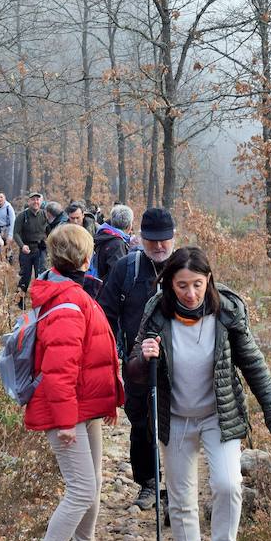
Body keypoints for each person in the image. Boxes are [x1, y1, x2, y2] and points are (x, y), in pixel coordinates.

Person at [128, 246, 271, 541]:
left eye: (197, 284)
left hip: (220, 414)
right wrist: (145, 358)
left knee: (228, 485)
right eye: (182, 285)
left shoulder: (227, 312)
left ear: (208, 280)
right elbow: (134, 370)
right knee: (182, 498)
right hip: (177, 417)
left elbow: (254, 364)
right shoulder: (157, 315)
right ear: (169, 284)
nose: (191, 293)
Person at [26, 224, 125, 541]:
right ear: (85, 257)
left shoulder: (73, 293)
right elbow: (58, 371)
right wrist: (66, 423)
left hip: (84, 407)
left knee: (93, 484)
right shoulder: (67, 303)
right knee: (81, 489)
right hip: (68, 411)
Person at [98, 206, 176, 510]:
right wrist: (114, 353)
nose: (159, 246)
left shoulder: (185, 268)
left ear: (173, 238)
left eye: (164, 240)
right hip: (136, 363)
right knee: (141, 422)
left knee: (175, 425)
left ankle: (176, 488)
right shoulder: (126, 268)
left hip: (178, 364)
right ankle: (148, 483)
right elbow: (105, 312)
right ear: (141, 237)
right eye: (152, 239)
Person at [14, 191, 48, 305]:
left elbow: (51, 229)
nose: (36, 202)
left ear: (41, 201)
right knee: (25, 277)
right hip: (26, 250)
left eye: (38, 199)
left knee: (41, 276)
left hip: (40, 249)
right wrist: (22, 245)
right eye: (33, 199)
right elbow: (16, 233)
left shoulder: (45, 215)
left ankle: (40, 301)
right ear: (29, 202)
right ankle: (19, 301)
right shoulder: (22, 216)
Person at [92, 203, 134, 282]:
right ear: (129, 226)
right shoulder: (117, 244)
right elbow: (118, 275)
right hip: (107, 291)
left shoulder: (104, 235)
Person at [0, 191, 16, 262]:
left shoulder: (9, 208)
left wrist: (10, 235)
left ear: (4, 198)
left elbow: (13, 221)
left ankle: (9, 264)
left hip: (6, 229)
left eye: (1, 197)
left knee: (8, 248)